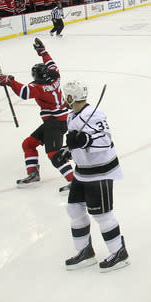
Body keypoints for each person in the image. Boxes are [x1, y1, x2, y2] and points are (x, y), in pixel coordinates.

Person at [51, 80, 129, 272]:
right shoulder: (72, 117)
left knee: (102, 215)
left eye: (65, 95)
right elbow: (76, 143)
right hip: (82, 171)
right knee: (74, 210)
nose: (63, 98)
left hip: (99, 172)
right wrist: (66, 152)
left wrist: (83, 140)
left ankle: (119, 253)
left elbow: (105, 141)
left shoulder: (94, 115)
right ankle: (84, 251)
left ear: (71, 97)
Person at [0, 38, 74, 192]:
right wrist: (42, 52)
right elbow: (50, 63)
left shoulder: (39, 87)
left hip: (55, 122)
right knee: (28, 144)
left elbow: (24, 92)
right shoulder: (55, 75)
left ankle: (75, 181)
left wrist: (10, 81)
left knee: (53, 153)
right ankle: (33, 174)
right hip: (58, 120)